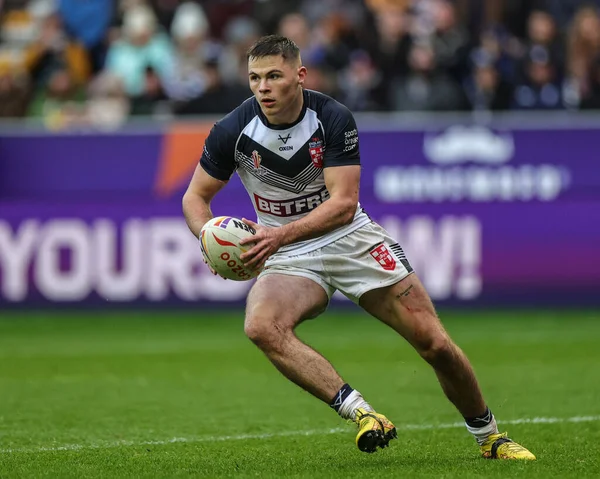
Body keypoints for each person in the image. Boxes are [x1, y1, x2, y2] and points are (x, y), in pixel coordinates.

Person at [182, 34, 535, 459]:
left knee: (435, 344)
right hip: (290, 254)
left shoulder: (332, 117)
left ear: (300, 75)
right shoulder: (232, 130)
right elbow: (194, 197)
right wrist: (209, 239)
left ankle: (490, 437)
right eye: (255, 78)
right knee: (261, 326)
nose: (263, 87)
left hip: (350, 240)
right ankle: (362, 412)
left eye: (274, 76)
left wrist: (275, 235)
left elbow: (344, 205)